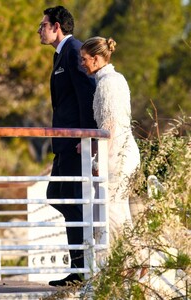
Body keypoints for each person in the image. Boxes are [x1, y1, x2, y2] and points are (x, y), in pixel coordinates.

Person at [37, 6, 97, 286]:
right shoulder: (60, 54)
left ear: (57, 26)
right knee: (57, 195)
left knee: (70, 200)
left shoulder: (73, 50)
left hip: (74, 144)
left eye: (43, 25)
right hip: (62, 144)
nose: (39, 30)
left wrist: (86, 137)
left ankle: (81, 270)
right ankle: (79, 269)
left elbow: (86, 94)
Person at [80, 37, 140, 246]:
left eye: (84, 59)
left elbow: (111, 125)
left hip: (117, 155)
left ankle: (134, 258)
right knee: (118, 210)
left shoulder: (108, 83)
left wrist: (98, 157)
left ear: (96, 59)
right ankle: (130, 262)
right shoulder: (111, 80)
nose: (82, 63)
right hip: (121, 152)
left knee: (112, 210)